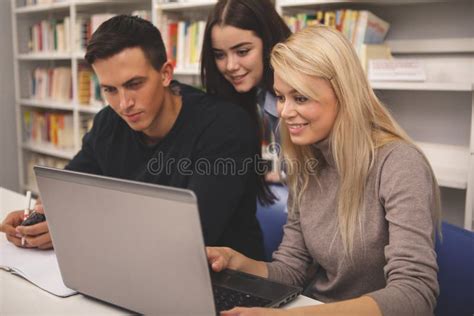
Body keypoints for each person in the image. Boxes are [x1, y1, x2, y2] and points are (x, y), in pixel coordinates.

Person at [206, 25, 441, 316]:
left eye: (300, 98)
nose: (285, 111)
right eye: (281, 96)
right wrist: (237, 263)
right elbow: (291, 270)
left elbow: (414, 295)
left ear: (344, 95)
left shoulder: (399, 164)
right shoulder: (308, 161)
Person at [0, 15, 264, 260]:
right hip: (134, 264)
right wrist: (40, 217)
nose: (124, 104)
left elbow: (190, 236)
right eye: (110, 89)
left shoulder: (226, 127)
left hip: (226, 280)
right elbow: (67, 191)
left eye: (134, 84)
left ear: (165, 74)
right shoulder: (108, 122)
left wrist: (72, 227)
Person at [201, 0, 292, 188]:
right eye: (219, 55)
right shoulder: (247, 97)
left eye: (242, 51)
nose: (230, 66)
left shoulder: (302, 91)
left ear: (269, 43)